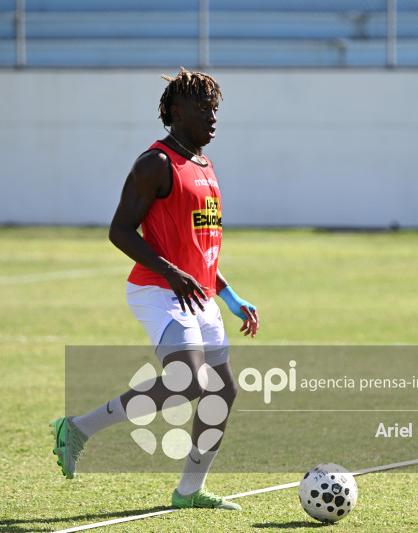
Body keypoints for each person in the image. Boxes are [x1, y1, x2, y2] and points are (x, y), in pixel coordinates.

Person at [50, 68, 259, 511]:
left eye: (215, 108)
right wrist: (169, 272)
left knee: (222, 391)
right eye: (202, 108)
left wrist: (230, 296)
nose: (212, 116)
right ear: (175, 112)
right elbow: (120, 230)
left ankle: (189, 492)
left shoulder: (204, 166)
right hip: (157, 290)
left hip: (196, 295)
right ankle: (79, 428)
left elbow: (200, 250)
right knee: (187, 381)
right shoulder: (155, 163)